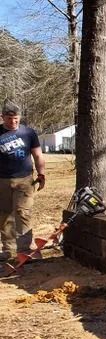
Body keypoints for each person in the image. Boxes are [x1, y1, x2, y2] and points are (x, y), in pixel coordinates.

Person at [0, 103, 45, 261]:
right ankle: (9, 250)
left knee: (23, 212)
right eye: (10, 118)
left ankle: (25, 249)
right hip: (2, 180)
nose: (13, 122)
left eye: (16, 119)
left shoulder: (28, 133)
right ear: (3, 117)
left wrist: (41, 174)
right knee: (4, 215)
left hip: (25, 179)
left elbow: (38, 155)